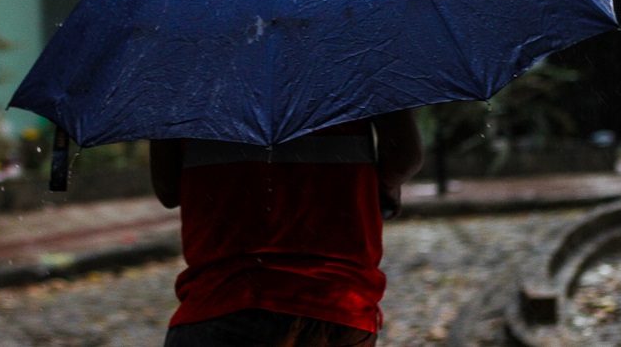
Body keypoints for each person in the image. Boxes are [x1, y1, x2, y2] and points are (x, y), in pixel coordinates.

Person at [150, 109, 423, 347]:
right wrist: (386, 187)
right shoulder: (358, 52)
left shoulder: (181, 63)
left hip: (221, 300)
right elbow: (404, 155)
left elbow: (168, 189)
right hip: (336, 301)